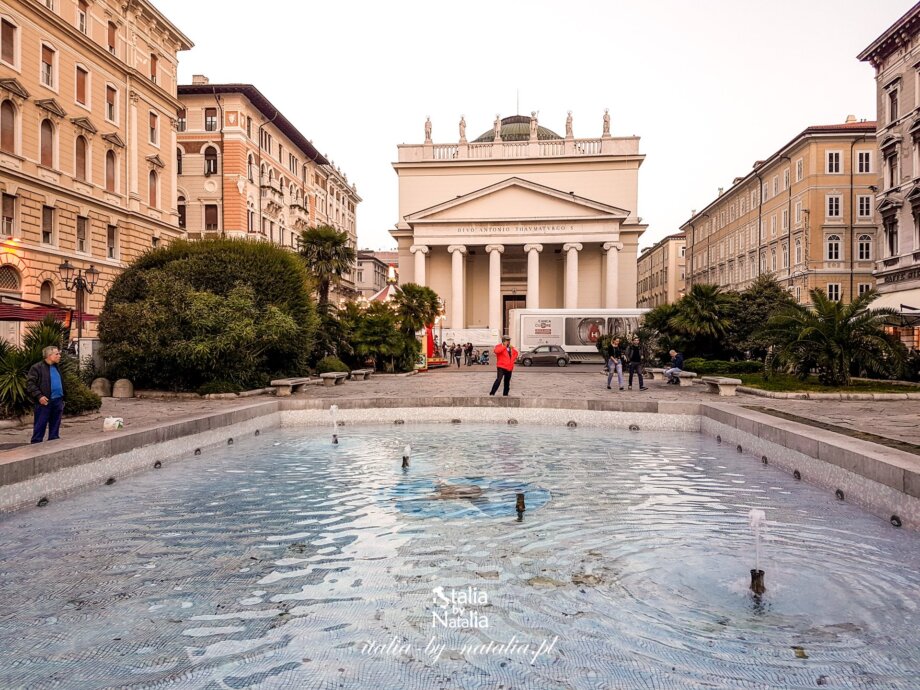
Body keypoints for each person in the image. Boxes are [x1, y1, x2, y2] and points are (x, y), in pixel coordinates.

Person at [26, 345, 65, 444]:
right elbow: (30, 384)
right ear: (49, 355)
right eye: (57, 354)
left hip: (58, 401)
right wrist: (39, 396)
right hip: (44, 402)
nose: (59, 356)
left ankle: (53, 444)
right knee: (40, 426)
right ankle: (36, 448)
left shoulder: (56, 367)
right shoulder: (37, 367)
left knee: (55, 427)